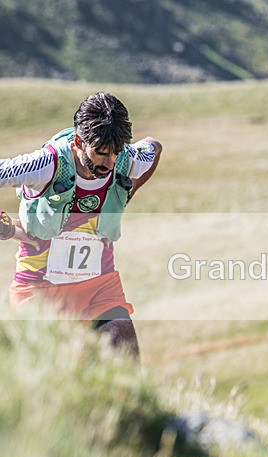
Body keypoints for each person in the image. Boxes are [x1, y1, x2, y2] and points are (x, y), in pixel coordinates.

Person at [0, 91, 163, 360]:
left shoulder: (125, 158)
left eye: (116, 153)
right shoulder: (46, 164)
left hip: (100, 287)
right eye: (101, 153)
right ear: (78, 141)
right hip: (40, 290)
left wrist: (125, 195)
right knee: (49, 380)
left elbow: (154, 147)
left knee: (126, 359)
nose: (110, 163)